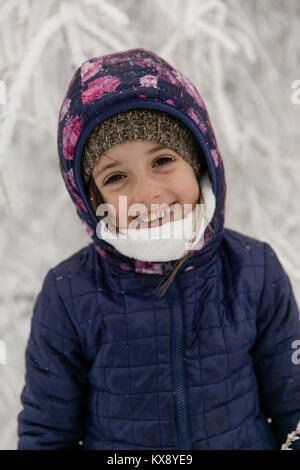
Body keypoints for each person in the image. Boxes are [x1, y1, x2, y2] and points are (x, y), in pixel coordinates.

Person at [17, 48, 300, 450]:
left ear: (201, 163)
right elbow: (47, 434)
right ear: (90, 197)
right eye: (116, 176)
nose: (146, 193)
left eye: (163, 159)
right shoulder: (68, 295)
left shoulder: (254, 270)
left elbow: (294, 409)